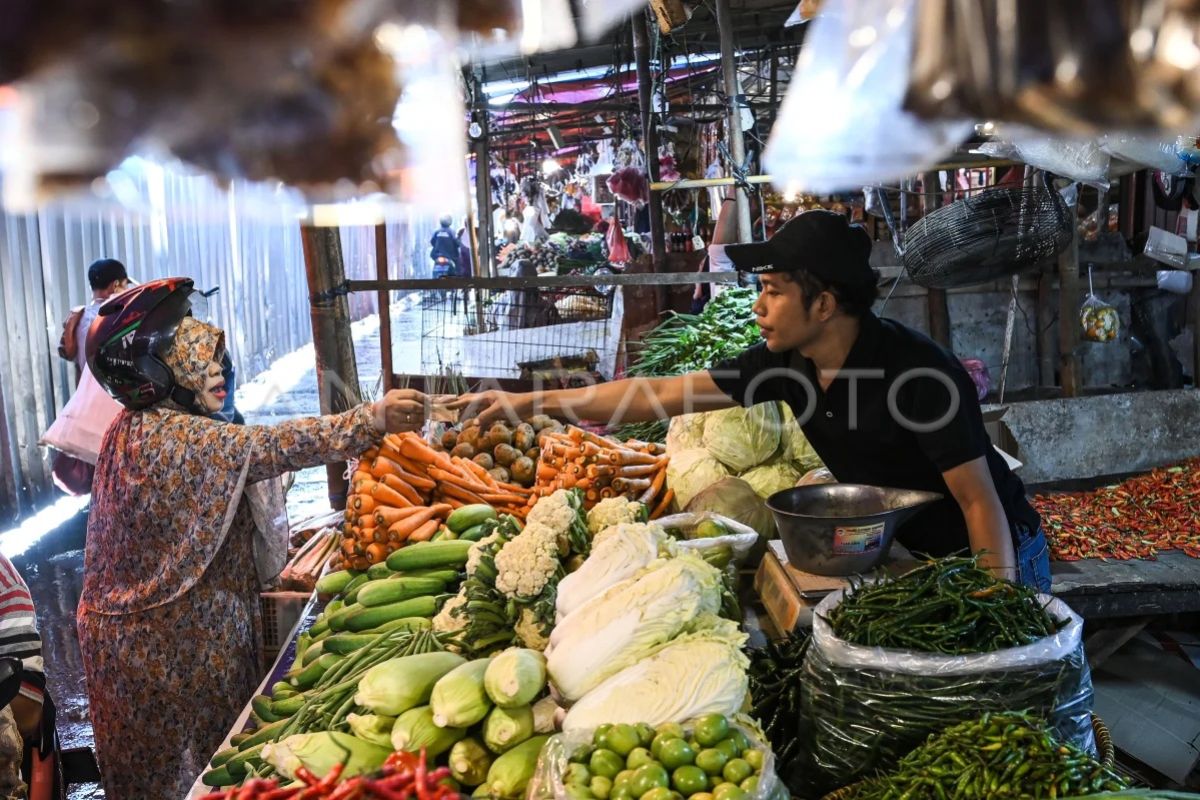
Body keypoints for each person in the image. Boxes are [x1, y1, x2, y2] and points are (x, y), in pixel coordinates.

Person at [454, 210, 1050, 590]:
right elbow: (662, 393)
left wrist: (991, 605)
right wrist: (529, 402)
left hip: (993, 553)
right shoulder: (786, 366)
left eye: (772, 291)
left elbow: (979, 502)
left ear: (823, 304)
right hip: (911, 550)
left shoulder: (918, 373)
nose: (759, 307)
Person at [77, 277, 443, 799]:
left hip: (138, 633)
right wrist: (372, 418)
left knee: (171, 776)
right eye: (199, 363)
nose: (218, 374)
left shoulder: (135, 425)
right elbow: (276, 445)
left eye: (216, 361)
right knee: (199, 771)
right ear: (161, 372)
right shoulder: (180, 436)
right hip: (168, 639)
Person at [57, 258, 131, 381]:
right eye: (125, 285)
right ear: (115, 285)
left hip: (88, 396)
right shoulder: (122, 315)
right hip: (115, 395)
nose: (127, 290)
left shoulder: (78, 317)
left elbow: (78, 367)